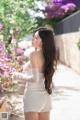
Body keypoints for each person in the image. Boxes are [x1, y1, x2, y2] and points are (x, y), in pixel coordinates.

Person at [12, 27, 57, 120]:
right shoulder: (50, 55)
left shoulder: (33, 54)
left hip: (33, 96)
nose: (33, 40)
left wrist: (17, 76)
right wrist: (24, 65)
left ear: (43, 41)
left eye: (36, 38)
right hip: (45, 97)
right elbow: (37, 69)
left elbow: (35, 78)